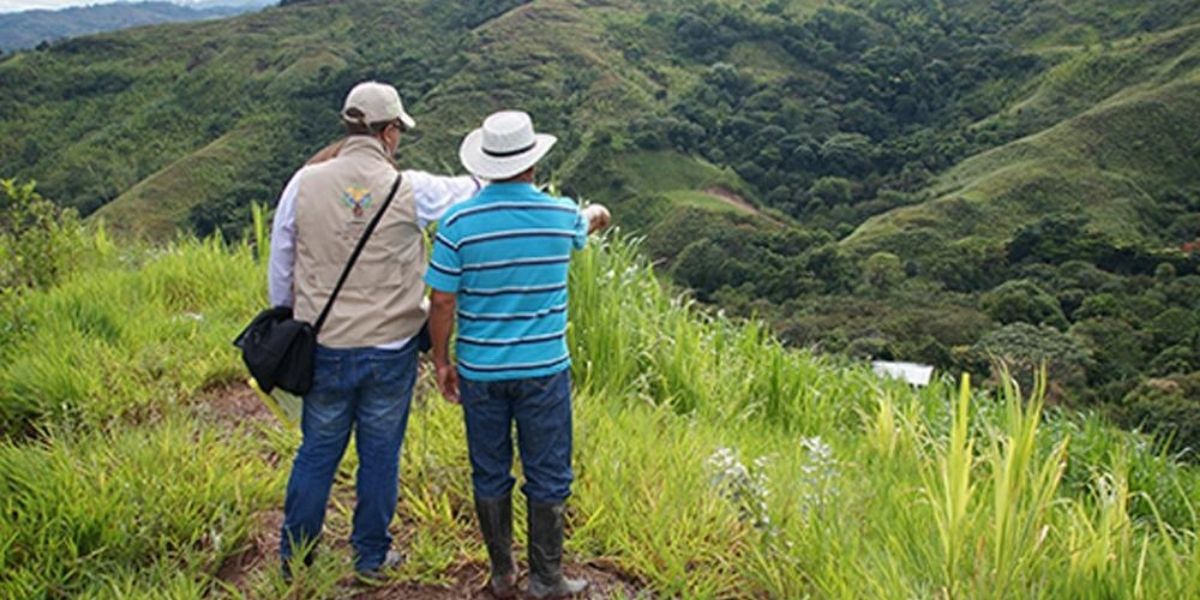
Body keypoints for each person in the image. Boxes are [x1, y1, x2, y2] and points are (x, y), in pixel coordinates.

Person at [267, 80, 482, 583]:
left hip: (325, 345)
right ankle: (369, 556)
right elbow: (471, 191)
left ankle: (294, 560)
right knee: (380, 454)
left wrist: (290, 320)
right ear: (388, 133)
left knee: (317, 452)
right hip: (391, 347)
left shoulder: (302, 183)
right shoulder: (413, 188)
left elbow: (282, 265)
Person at [425, 110, 610, 599]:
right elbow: (588, 222)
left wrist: (442, 361)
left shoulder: (458, 222)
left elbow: (442, 301)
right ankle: (547, 580)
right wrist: (596, 213)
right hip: (544, 371)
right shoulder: (559, 215)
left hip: (481, 370)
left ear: (485, 165)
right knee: (548, 471)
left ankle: (503, 575)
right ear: (532, 164)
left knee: (489, 469)